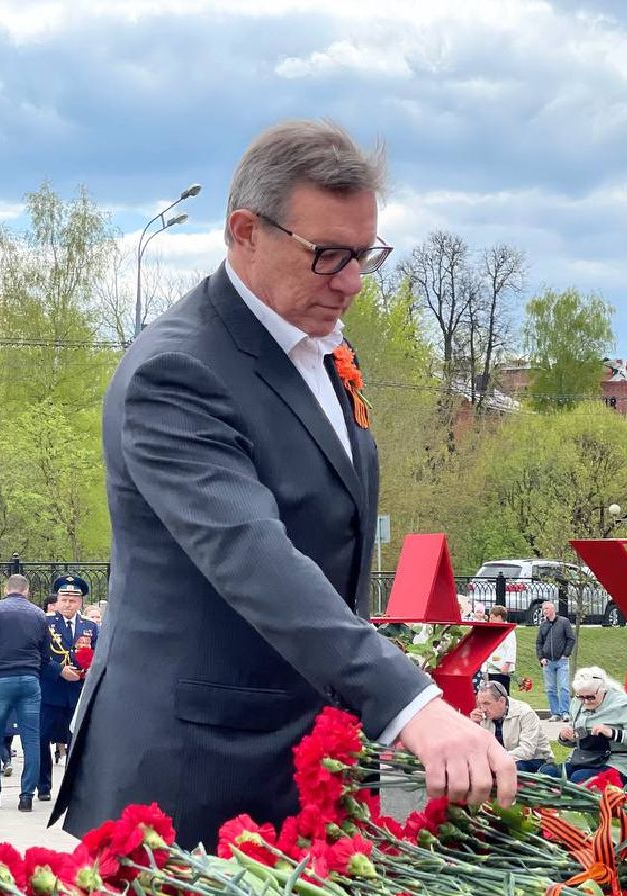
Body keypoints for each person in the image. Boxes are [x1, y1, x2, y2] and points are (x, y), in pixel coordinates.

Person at [53, 120, 514, 848]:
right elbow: (254, 556)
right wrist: (412, 704)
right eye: (328, 255)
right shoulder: (177, 373)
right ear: (245, 232)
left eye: (364, 255)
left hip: (302, 762)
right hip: (192, 780)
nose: (352, 283)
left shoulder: (322, 348)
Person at [0, 575, 49, 812]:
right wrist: (33, 672)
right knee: (31, 739)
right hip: (29, 680)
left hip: (1, 679)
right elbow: (45, 653)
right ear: (27, 591)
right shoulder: (39, 614)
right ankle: (26, 797)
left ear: (6, 589)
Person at [539, 667, 627, 785]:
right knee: (547, 773)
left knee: (580, 778)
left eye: (591, 697)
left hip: (616, 763)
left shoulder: (623, 705)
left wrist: (612, 733)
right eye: (581, 697)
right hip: (582, 760)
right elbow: (576, 740)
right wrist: (565, 737)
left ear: (603, 690)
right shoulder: (576, 703)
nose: (586, 702)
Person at [41, 574, 98, 789]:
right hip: (51, 690)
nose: (68, 603)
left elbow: (99, 655)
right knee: (42, 738)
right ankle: (43, 786)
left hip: (77, 691)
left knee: (76, 740)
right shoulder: (45, 623)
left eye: (73, 599)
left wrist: (87, 670)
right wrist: (59, 671)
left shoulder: (90, 627)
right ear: (57, 600)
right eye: (64, 599)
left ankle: (71, 787)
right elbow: (38, 655)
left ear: (80, 601)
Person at [469, 681, 549, 771]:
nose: (482, 709)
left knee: (511, 767)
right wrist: (473, 726)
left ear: (502, 701)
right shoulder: (481, 716)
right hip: (500, 760)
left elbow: (527, 751)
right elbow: (473, 750)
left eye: (486, 704)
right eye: (480, 704)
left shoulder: (525, 713)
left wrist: (497, 758)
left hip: (535, 760)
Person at [535, 601, 576, 723]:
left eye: (547, 608)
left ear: (553, 609)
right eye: (543, 609)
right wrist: (541, 657)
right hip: (548, 661)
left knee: (564, 687)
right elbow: (539, 642)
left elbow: (571, 638)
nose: (545, 611)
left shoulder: (563, 622)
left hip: (561, 661)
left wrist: (566, 654)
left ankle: (565, 712)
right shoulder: (543, 625)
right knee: (550, 689)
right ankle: (555, 713)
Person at [481, 605, 516, 695]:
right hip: (490, 667)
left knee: (501, 693)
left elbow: (511, 649)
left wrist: (507, 664)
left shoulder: (508, 630)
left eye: (492, 618)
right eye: (490, 618)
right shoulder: (492, 630)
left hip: (501, 668)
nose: (490, 620)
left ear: (499, 617)